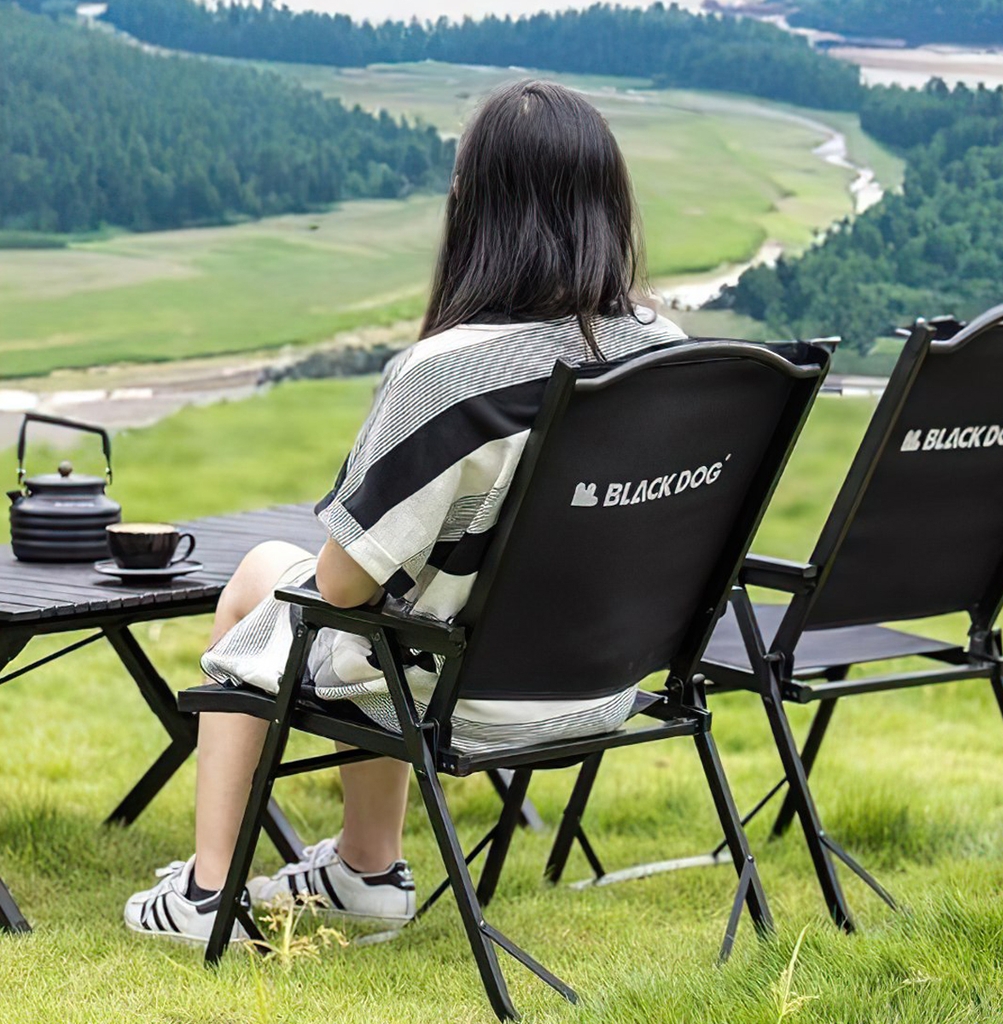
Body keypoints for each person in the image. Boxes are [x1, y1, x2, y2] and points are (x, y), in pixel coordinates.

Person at [124, 79, 686, 944]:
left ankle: (209, 894)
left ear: (477, 211)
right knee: (372, 613)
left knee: (272, 581)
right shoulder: (667, 352)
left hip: (471, 699)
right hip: (610, 685)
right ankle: (365, 870)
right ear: (609, 205)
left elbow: (343, 586)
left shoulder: (447, 375)